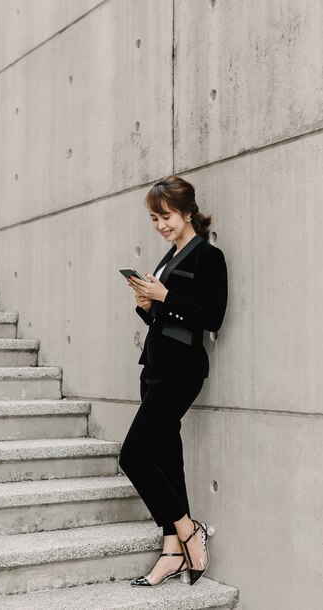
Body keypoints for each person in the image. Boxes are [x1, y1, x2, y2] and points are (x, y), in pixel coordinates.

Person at [119, 175, 228, 587]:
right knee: (165, 457)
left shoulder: (208, 257)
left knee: (133, 456)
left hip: (183, 371)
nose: (161, 225)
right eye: (154, 219)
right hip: (155, 367)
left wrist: (166, 298)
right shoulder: (168, 258)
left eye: (165, 216)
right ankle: (171, 551)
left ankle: (188, 530)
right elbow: (162, 321)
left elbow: (212, 317)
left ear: (186, 212)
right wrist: (146, 305)